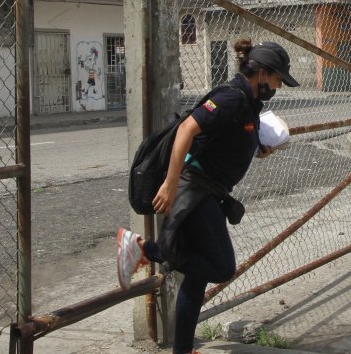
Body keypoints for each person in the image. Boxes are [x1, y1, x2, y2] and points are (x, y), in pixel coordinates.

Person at [116, 39, 299, 354]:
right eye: (278, 79)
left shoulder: (249, 101)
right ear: (264, 73)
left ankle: (183, 349)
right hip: (195, 188)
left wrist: (256, 147)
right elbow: (187, 129)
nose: (279, 86)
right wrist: (171, 183)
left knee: (198, 275)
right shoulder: (231, 97)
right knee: (221, 266)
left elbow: (228, 138)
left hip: (210, 191)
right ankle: (144, 247)